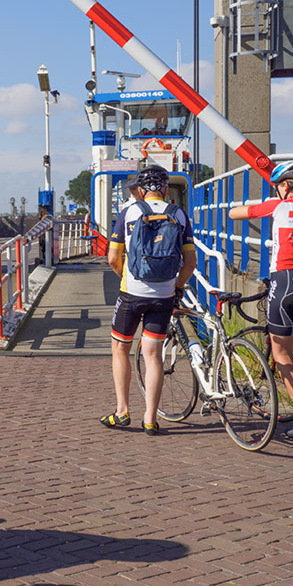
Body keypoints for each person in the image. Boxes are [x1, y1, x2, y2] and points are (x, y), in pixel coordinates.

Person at [227, 158, 293, 440]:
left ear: (284, 186)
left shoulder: (280, 205)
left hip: (286, 282)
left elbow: (237, 214)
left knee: (280, 350)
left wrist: (240, 207)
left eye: (278, 186)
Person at [103, 165, 196, 436]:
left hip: (131, 293)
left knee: (120, 348)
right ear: (166, 190)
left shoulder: (128, 212)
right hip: (164, 296)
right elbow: (190, 262)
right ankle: (150, 419)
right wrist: (176, 286)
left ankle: (122, 411)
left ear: (141, 191)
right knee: (153, 355)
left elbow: (112, 258)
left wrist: (128, 277)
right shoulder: (179, 214)